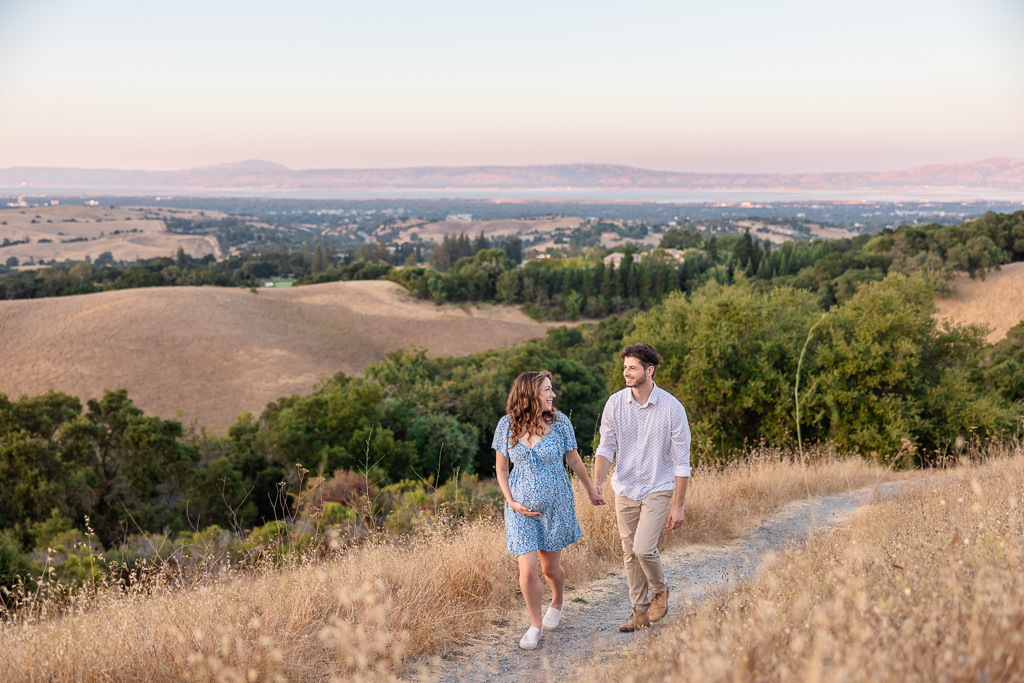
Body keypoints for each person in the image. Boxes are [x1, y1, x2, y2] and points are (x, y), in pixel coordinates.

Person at [493, 370, 605, 650]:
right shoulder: (506, 426)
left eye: (551, 389)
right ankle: (535, 625)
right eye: (547, 390)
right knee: (529, 571)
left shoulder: (560, 422)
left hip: (556, 506)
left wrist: (591, 489)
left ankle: (557, 600)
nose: (552, 395)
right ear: (530, 393)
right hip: (519, 510)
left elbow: (575, 460)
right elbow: (502, 467)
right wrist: (510, 501)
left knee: (550, 569)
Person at [591, 343, 691, 632]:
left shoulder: (672, 408)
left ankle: (660, 589)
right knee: (629, 552)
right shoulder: (615, 403)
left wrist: (678, 505)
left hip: (658, 485)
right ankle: (639, 612)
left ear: (649, 370)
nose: (626, 373)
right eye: (625, 367)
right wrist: (596, 481)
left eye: (632, 367)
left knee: (643, 549)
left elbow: (681, 463)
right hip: (625, 487)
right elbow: (606, 447)